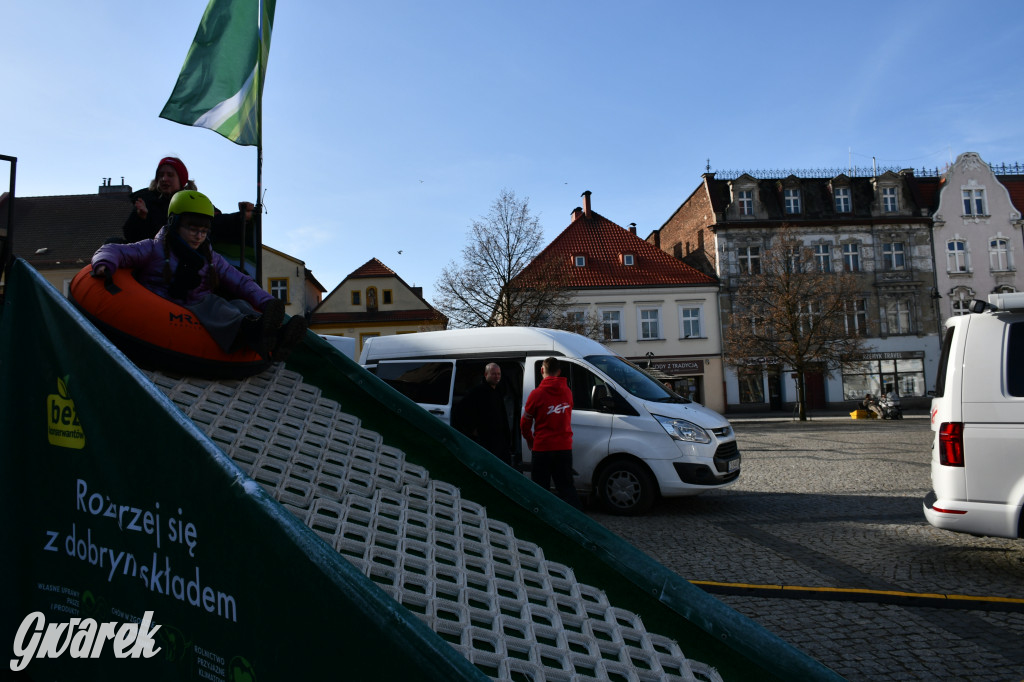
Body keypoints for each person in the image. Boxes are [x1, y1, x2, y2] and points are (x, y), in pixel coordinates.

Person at [94, 190, 305, 362]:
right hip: (165, 304)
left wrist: (267, 302)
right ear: (175, 224)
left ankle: (274, 337)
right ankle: (252, 330)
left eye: (204, 231)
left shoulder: (209, 257)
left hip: (197, 301)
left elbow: (240, 281)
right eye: (193, 229)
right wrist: (105, 264)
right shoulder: (154, 248)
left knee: (239, 304)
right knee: (215, 307)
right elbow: (116, 250)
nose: (199, 236)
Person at [122, 157, 254, 246]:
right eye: (160, 175)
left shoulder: (194, 201)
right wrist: (140, 218)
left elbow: (215, 221)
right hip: (153, 260)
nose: (163, 179)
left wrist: (241, 217)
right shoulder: (146, 201)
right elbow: (131, 237)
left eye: (170, 175)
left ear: (181, 180)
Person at [520, 357, 581, 509]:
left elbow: (524, 422)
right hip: (564, 448)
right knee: (566, 487)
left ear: (542, 370)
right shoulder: (567, 392)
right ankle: (576, 520)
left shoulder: (536, 394)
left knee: (540, 489)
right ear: (559, 372)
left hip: (543, 448)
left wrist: (529, 439)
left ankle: (542, 519)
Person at [453, 363, 514, 466]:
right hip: (486, 441)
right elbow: (459, 410)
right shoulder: (478, 391)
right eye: (493, 374)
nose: (497, 376)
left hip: (499, 440)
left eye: (499, 374)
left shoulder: (498, 391)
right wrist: (471, 430)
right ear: (486, 375)